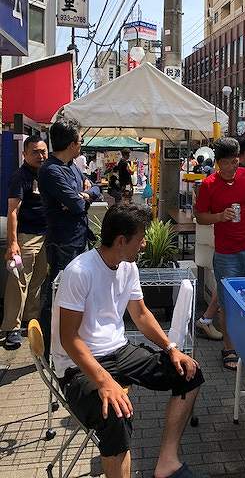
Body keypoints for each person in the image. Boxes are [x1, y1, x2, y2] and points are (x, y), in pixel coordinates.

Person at [52, 204, 203, 478]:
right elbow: (69, 338)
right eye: (141, 237)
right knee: (116, 416)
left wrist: (172, 349)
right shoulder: (80, 271)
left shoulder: (127, 266)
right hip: (78, 366)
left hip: (118, 352)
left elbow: (141, 314)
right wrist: (104, 381)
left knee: (190, 372)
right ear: (121, 240)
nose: (144, 244)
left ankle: (167, 462)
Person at [195, 137, 245, 371]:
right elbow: (200, 216)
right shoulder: (208, 184)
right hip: (227, 253)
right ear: (218, 163)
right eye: (227, 162)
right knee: (228, 304)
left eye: (235, 161)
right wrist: (219, 216)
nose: (232, 166)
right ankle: (229, 348)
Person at [38, 118, 101, 352]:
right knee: (57, 294)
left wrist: (85, 194)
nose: (81, 145)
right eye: (80, 141)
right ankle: (48, 347)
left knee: (77, 292)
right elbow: (75, 205)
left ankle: (70, 341)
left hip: (79, 238)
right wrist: (80, 197)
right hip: (63, 242)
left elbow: (94, 187)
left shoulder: (72, 166)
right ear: (73, 144)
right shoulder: (51, 171)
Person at [1, 137, 49, 349]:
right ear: (25, 154)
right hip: (26, 237)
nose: (40, 156)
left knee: (38, 281)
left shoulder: (47, 173)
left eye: (43, 151)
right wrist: (13, 243)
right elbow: (12, 211)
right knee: (18, 282)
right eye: (35, 152)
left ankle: (31, 322)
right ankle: (11, 328)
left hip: (46, 236)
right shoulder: (20, 177)